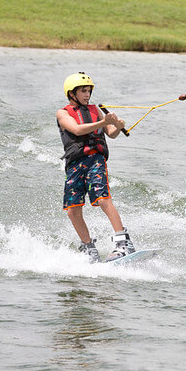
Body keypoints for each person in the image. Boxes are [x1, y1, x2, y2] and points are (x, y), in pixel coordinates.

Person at [56, 72, 135, 263]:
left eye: (89, 91)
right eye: (83, 91)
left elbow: (111, 133)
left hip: (95, 160)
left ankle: (123, 243)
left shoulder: (96, 111)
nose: (87, 95)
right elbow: (76, 129)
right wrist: (104, 121)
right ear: (71, 93)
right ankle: (89, 249)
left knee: (102, 198)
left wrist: (117, 125)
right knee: (72, 209)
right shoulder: (63, 113)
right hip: (75, 165)